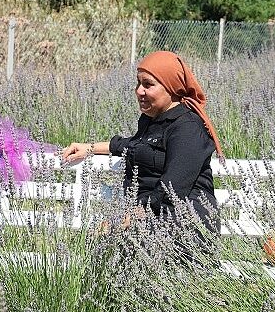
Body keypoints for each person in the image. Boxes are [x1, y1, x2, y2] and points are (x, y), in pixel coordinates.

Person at [61, 51, 223, 234]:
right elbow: (135, 147)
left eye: (148, 84)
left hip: (185, 223)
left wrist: (127, 218)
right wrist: (89, 148)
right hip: (150, 219)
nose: (139, 91)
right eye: (138, 83)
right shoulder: (151, 120)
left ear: (171, 87)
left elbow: (172, 188)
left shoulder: (188, 127)